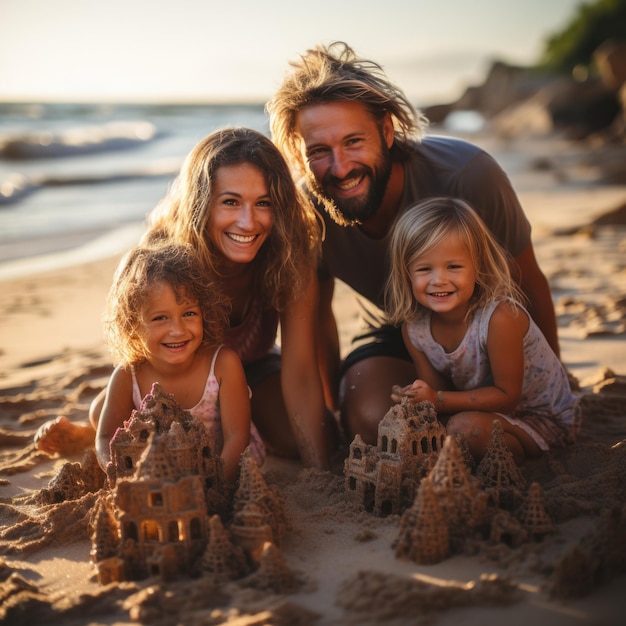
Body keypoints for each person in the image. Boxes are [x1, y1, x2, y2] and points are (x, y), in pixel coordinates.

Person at [266, 41, 561, 445]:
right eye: (319, 151)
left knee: (477, 429)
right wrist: (335, 410)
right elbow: (316, 320)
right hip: (411, 331)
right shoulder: (306, 216)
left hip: (492, 331)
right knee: (370, 421)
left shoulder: (467, 176)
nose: (340, 167)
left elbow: (529, 281)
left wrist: (557, 376)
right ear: (300, 156)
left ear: (386, 130)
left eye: (354, 141)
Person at [37, 128, 334, 470]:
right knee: (105, 413)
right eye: (231, 201)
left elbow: (299, 371)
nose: (248, 221)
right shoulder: (165, 257)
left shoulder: (288, 255)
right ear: (201, 202)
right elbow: (138, 346)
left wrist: (320, 473)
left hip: (253, 364)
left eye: (263, 203)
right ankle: (87, 433)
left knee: (298, 437)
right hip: (182, 369)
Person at [385, 197, 580, 464]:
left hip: (540, 420)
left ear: (477, 267)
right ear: (406, 274)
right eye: (423, 268)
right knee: (429, 430)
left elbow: (506, 398)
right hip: (481, 413)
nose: (439, 279)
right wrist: (418, 397)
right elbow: (438, 399)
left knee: (464, 430)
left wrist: (437, 399)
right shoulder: (415, 330)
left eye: (453, 266)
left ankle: (524, 464)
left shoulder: (500, 318)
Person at [95, 242, 264, 484]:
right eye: (160, 318)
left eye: (188, 314)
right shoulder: (128, 375)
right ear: (132, 324)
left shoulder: (223, 364)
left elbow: (237, 439)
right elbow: (106, 436)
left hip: (223, 464)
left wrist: (214, 486)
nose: (178, 330)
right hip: (161, 473)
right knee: (99, 415)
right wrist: (121, 472)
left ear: (204, 312)